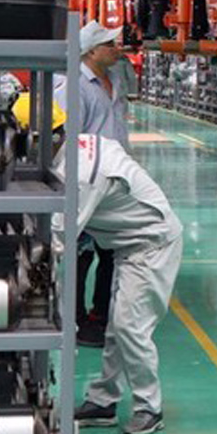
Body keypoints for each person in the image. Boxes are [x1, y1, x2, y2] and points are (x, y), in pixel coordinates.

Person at [14, 95, 181, 434]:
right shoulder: (73, 151)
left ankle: (150, 407)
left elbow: (60, 237)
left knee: (130, 327)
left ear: (36, 137)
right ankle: (103, 402)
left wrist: (15, 268)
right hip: (127, 245)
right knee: (118, 328)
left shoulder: (81, 172)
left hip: (151, 244)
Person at [57, 20, 134, 346]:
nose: (118, 49)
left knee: (112, 251)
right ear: (90, 51)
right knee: (80, 252)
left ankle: (100, 315)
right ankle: (74, 320)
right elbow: (66, 137)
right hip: (86, 180)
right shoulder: (72, 86)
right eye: (110, 45)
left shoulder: (115, 80)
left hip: (116, 179)